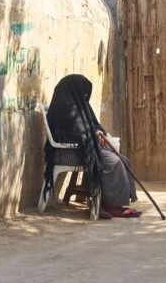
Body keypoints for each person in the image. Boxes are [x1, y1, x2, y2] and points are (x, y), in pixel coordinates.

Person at [43, 74, 140, 219]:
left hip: (82, 149)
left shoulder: (79, 104)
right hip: (66, 152)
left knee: (123, 159)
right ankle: (109, 205)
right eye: (82, 92)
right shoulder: (64, 107)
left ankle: (112, 203)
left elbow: (91, 124)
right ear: (74, 90)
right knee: (112, 161)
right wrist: (91, 136)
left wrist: (97, 132)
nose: (84, 96)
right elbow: (73, 132)